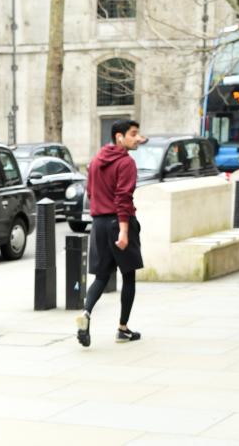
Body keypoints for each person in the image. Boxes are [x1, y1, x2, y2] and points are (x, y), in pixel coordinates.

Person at [76, 119, 147, 347]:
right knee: (128, 276)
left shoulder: (96, 160)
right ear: (119, 136)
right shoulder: (126, 162)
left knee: (102, 277)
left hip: (99, 224)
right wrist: (124, 231)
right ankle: (123, 329)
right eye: (133, 134)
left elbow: (90, 192)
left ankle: (86, 313)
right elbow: (123, 198)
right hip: (119, 222)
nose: (138, 138)